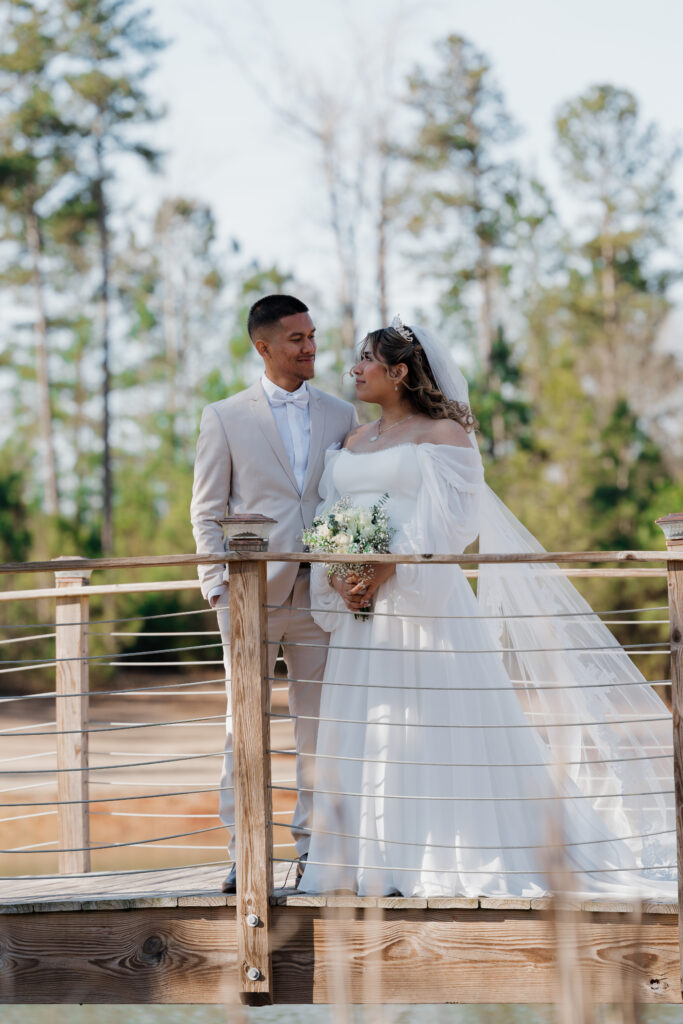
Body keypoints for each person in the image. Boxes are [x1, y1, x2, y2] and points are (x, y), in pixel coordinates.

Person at [297, 318, 676, 899]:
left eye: (367, 359)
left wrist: (386, 565)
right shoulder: (348, 443)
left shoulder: (444, 436)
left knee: (441, 728)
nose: (356, 368)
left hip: (425, 606)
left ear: (398, 373)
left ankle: (446, 855)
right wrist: (342, 572)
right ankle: (369, 861)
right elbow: (328, 517)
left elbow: (456, 523)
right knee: (369, 726)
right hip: (363, 615)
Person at [190, 294, 357, 893]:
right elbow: (207, 512)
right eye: (297, 338)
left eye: (312, 335)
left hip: (324, 601)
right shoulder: (224, 416)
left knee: (321, 733)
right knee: (245, 732)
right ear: (264, 346)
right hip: (248, 601)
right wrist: (217, 590)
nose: (310, 346)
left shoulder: (343, 415)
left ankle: (315, 855)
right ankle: (248, 854)